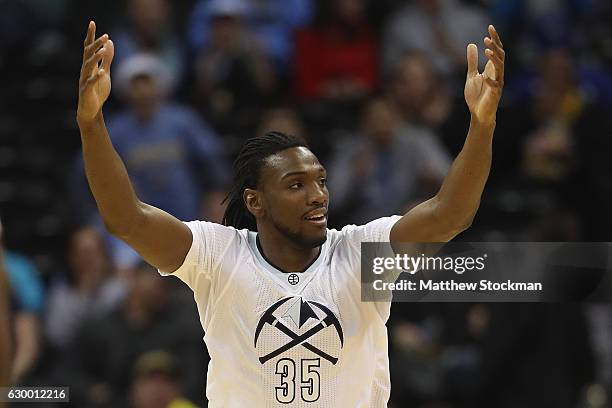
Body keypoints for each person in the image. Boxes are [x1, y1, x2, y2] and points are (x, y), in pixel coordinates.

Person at [76, 20, 505, 406]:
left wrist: (482, 125)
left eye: (320, 181)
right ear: (255, 202)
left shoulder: (361, 254)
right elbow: (126, 219)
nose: (317, 195)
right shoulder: (217, 255)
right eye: (296, 185)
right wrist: (92, 123)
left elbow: (450, 215)